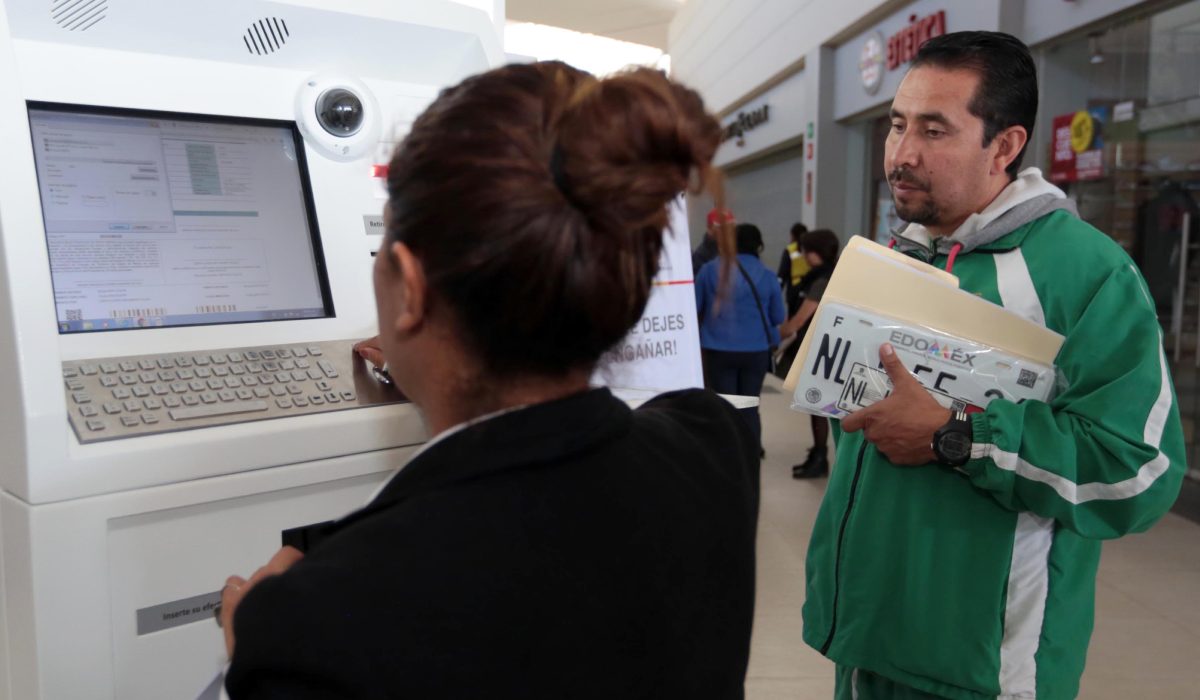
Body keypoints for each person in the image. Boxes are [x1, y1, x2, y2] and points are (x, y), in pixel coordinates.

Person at [218, 61, 760, 699]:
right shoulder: (712, 445)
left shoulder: (315, 631)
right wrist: (437, 376)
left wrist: (249, 655)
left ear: (409, 288)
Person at [801, 31, 1185, 700]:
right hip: (866, 640)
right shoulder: (897, 256)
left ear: (1004, 146)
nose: (902, 154)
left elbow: (1139, 472)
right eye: (896, 126)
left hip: (986, 671)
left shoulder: (1087, 274)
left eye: (934, 130)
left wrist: (959, 435)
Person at [695, 222, 785, 453]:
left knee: (726, 405)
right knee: (749, 404)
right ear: (760, 246)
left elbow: (694, 308)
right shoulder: (767, 275)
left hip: (718, 349)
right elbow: (778, 316)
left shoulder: (708, 270)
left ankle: (728, 455)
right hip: (755, 352)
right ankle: (751, 452)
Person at [777, 228, 839, 479]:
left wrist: (772, 336)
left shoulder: (821, 281)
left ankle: (820, 458)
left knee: (818, 407)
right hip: (829, 347)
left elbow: (800, 320)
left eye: (806, 251)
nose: (803, 256)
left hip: (820, 351)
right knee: (818, 407)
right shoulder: (836, 274)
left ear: (816, 253)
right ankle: (817, 454)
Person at [776, 222, 810, 315]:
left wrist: (776, 292)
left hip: (794, 290)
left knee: (794, 317)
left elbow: (782, 273)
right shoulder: (811, 248)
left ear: (793, 235)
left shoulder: (790, 250)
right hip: (809, 289)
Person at [693, 207, 734, 274]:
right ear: (709, 229)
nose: (727, 231)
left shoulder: (738, 249)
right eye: (721, 227)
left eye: (729, 226)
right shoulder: (700, 256)